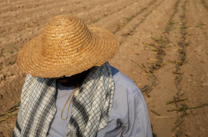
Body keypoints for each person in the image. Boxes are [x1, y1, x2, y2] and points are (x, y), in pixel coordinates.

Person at [13, 15, 152, 137]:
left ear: (89, 59)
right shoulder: (38, 82)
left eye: (68, 67)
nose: (60, 74)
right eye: (54, 67)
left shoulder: (123, 92)